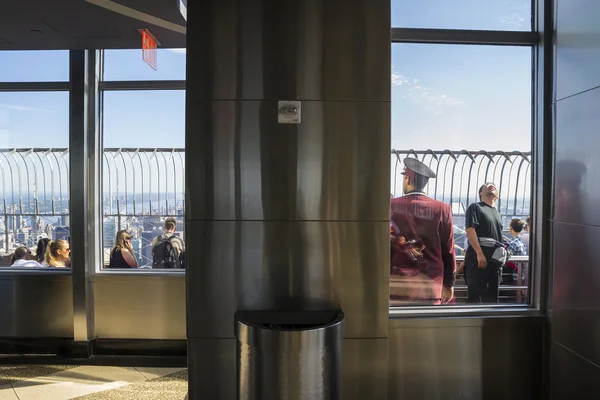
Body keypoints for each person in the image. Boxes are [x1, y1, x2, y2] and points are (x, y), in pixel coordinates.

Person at [390, 158, 456, 305]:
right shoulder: (443, 209)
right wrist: (449, 283)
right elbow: (449, 251)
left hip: (397, 285)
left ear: (407, 178)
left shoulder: (390, 206)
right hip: (432, 286)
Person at [464, 183, 506, 303]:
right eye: (487, 185)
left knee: (492, 298)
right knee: (476, 298)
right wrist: (479, 253)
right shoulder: (475, 207)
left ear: (497, 196)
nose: (491, 185)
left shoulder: (497, 213)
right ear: (480, 193)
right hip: (478, 260)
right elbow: (470, 229)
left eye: (494, 185)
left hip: (494, 261)